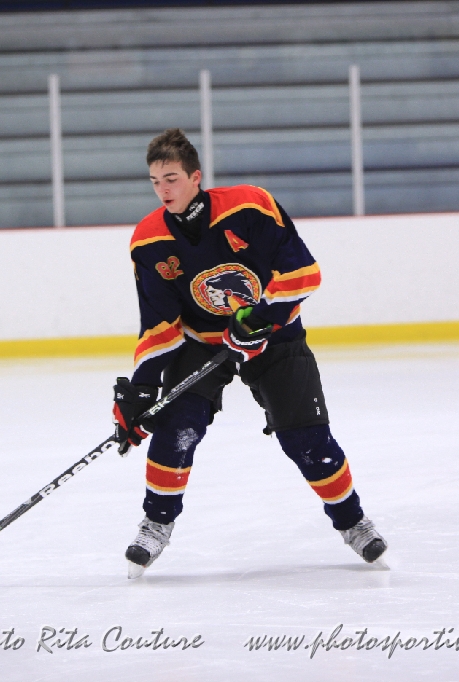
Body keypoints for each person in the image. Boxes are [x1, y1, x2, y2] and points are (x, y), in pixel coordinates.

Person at [112, 128, 386, 578]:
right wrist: (141, 391)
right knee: (176, 429)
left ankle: (353, 521)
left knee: (307, 439)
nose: (163, 190)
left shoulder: (249, 207)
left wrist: (259, 319)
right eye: (156, 182)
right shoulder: (148, 240)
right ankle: (156, 524)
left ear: (196, 177)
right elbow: (159, 323)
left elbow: (303, 272)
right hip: (204, 345)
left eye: (172, 179)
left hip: (275, 335)